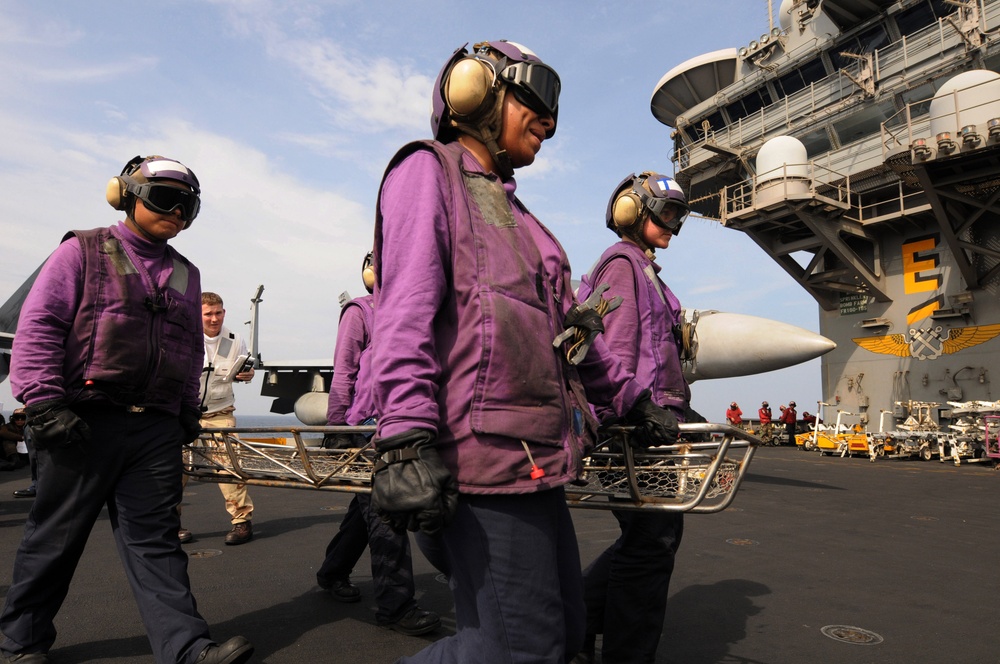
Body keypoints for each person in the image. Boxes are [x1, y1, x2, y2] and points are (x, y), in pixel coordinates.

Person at [368, 41, 680, 664]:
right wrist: (403, 437)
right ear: (471, 92)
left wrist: (630, 401)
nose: (549, 119)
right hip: (481, 459)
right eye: (532, 97)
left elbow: (573, 336)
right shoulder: (427, 172)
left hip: (537, 460)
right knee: (517, 652)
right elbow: (404, 313)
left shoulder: (531, 228)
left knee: (560, 639)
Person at [1, 155, 253, 664]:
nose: (177, 211)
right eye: (164, 198)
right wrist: (44, 402)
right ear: (127, 195)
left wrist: (185, 411)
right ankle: (20, 644)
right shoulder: (83, 251)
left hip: (155, 427)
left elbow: (184, 352)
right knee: (54, 541)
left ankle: (186, 647)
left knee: (157, 544)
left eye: (189, 205)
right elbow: (40, 325)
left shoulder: (186, 273)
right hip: (80, 422)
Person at [575, 171, 692, 664]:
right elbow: (609, 351)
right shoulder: (622, 265)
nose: (674, 226)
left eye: (679, 217)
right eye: (666, 213)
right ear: (631, 211)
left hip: (654, 418)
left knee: (653, 539)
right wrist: (631, 409)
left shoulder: (646, 271)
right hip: (636, 425)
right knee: (651, 540)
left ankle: (574, 624)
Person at [316, 252, 440, 636]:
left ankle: (333, 570)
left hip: (402, 428)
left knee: (366, 510)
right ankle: (395, 605)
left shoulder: (416, 314)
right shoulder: (360, 312)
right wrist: (338, 427)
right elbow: (344, 371)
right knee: (386, 515)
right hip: (366, 431)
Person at [190, 292, 256, 545]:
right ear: (198, 314)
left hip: (220, 411)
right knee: (174, 471)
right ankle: (171, 524)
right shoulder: (186, 338)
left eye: (218, 312)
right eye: (208, 313)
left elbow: (245, 369)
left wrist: (247, 375)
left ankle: (241, 523)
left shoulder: (235, 340)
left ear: (224, 312)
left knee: (229, 466)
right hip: (185, 411)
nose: (214, 318)